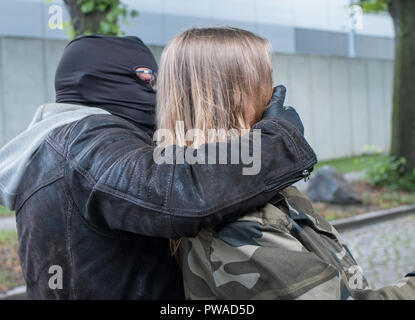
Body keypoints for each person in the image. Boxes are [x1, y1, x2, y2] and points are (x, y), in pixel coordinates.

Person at [0, 34, 316, 299]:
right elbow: (179, 195)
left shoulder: (59, 144)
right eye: (151, 81)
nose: (160, 95)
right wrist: (276, 141)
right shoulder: (84, 142)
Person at [156, 27, 415, 300]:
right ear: (234, 96)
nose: (274, 91)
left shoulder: (253, 187)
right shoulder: (236, 224)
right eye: (265, 78)